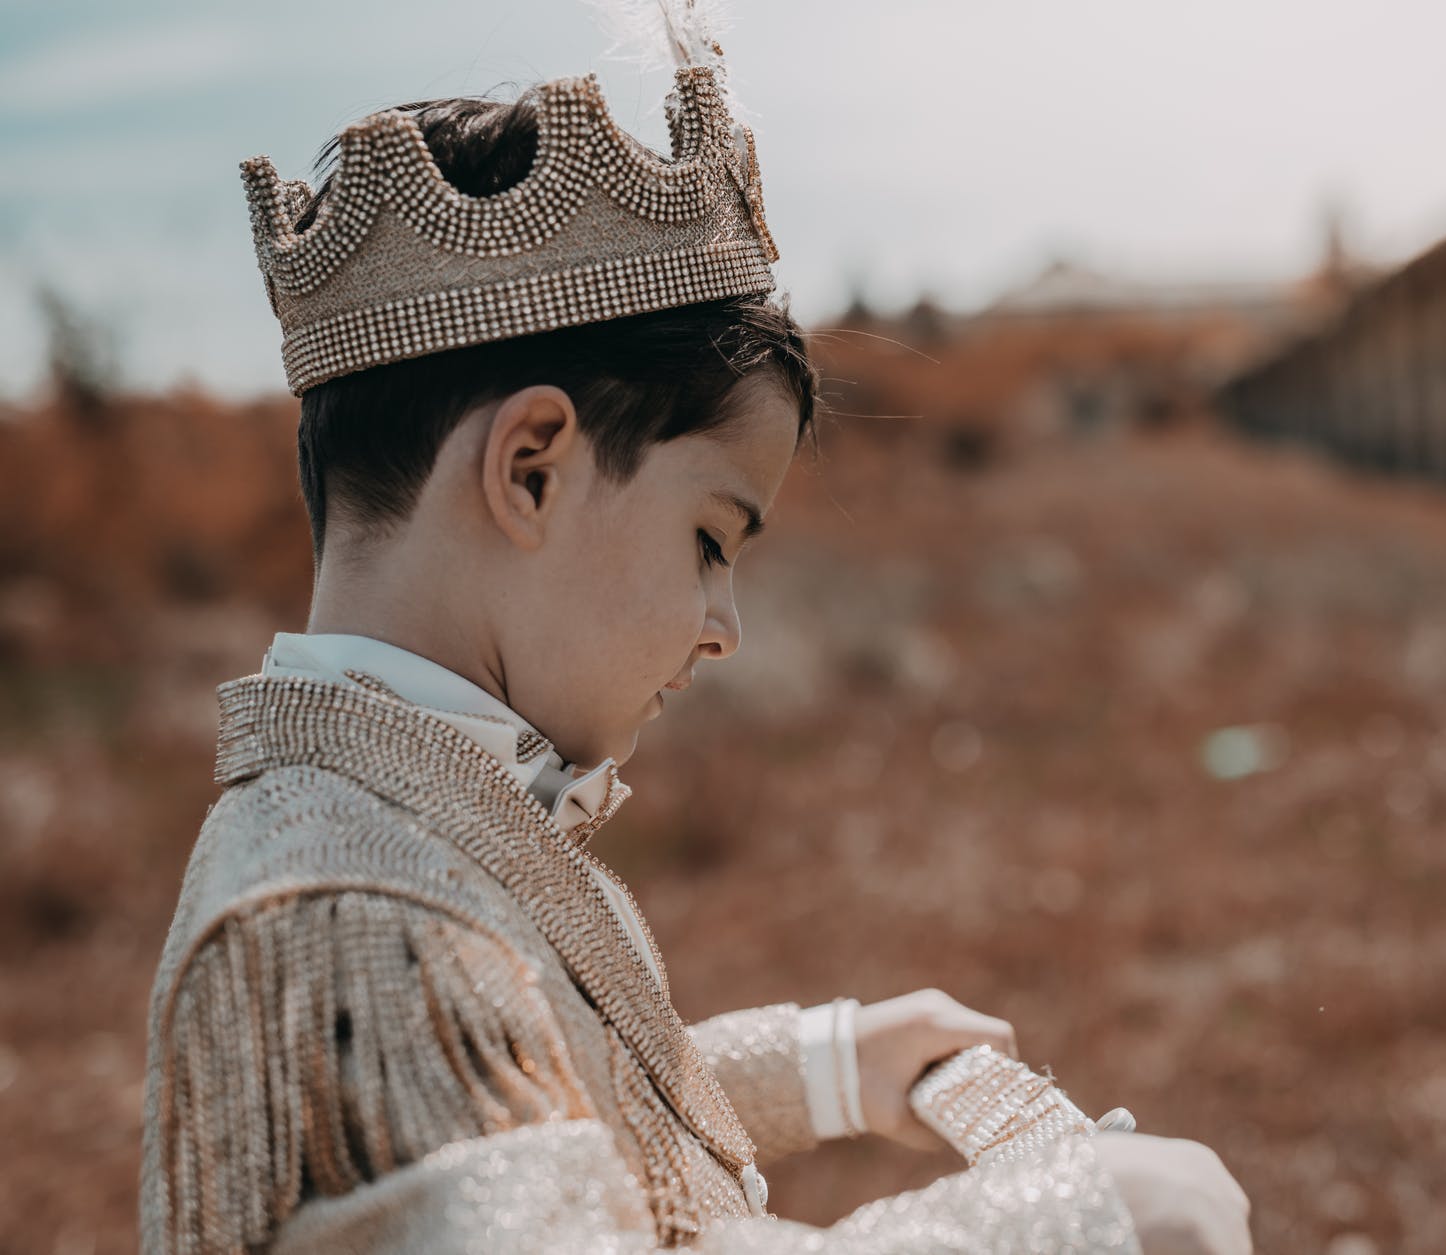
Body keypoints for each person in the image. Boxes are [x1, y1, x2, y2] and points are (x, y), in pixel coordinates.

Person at [138, 7, 1251, 1252]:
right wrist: (1069, 1221)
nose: (723, 628)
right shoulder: (354, 923)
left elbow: (542, 1103)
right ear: (532, 471)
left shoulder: (394, 818)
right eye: (711, 541)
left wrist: (826, 1065)